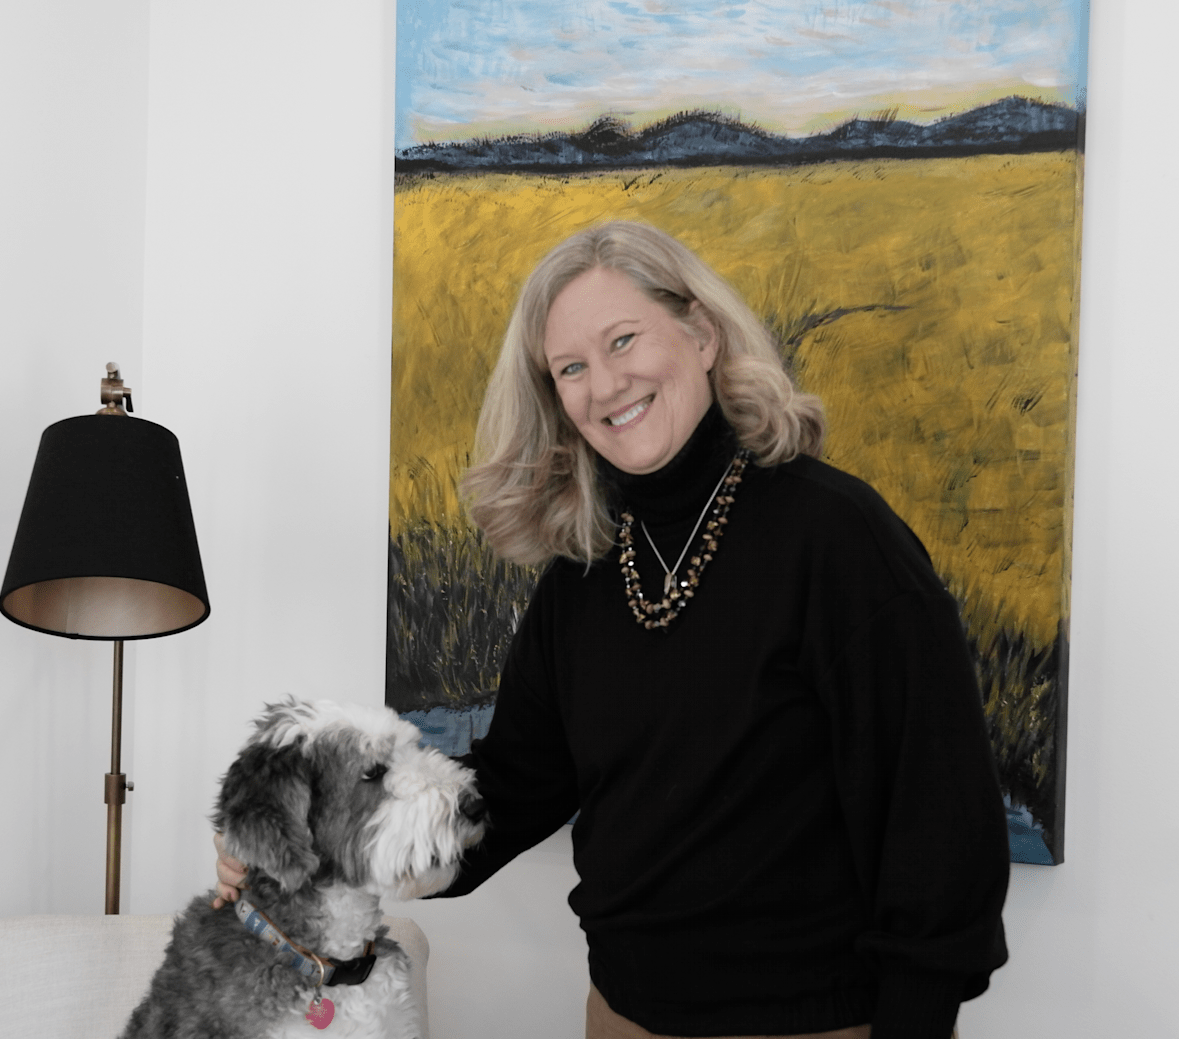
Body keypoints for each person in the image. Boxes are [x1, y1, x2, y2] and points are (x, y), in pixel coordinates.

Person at [216, 222, 1008, 1039]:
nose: (605, 384)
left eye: (623, 339)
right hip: (619, 1015)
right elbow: (513, 788)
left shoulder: (839, 540)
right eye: (571, 367)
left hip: (812, 1022)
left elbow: (941, 829)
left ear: (701, 334)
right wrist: (310, 839)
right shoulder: (584, 573)